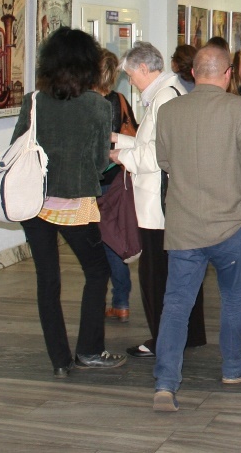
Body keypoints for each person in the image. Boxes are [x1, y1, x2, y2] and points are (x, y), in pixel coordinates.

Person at [152, 44, 241, 412]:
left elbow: (164, 160)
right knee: (233, 298)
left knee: (176, 304)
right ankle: (234, 367)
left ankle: (165, 382)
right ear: (228, 74)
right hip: (230, 224)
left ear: (193, 73)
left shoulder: (169, 111)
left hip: (184, 226)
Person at [13, 27, 127, 377]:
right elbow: (99, 163)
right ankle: (89, 349)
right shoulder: (97, 105)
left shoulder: (33, 101)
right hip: (74, 204)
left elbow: (17, 147)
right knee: (97, 271)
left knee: (47, 280)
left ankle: (60, 360)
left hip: (34, 202)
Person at [112, 41, 207, 358]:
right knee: (180, 271)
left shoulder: (164, 97)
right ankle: (190, 334)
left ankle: (161, 338)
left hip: (157, 204)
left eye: (130, 75)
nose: (130, 81)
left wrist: (119, 155)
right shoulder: (171, 92)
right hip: (168, 201)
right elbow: (150, 143)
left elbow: (155, 154)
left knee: (155, 275)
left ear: (143, 68)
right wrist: (120, 140)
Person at [96, 48, 137, 322]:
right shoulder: (119, 100)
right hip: (114, 178)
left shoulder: (83, 102)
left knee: (97, 243)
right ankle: (120, 301)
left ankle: (101, 299)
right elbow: (133, 131)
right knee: (113, 239)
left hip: (91, 180)